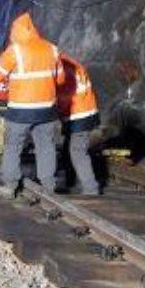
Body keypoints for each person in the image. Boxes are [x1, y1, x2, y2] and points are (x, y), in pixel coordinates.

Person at [0, 12, 61, 197]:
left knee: (12, 145)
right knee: (45, 146)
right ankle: (49, 186)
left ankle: (10, 186)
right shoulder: (51, 49)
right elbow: (61, 78)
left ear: (15, 31)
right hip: (46, 109)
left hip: (21, 110)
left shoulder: (15, 50)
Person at [55, 53, 101, 196]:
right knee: (68, 149)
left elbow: (64, 97)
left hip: (78, 114)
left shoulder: (64, 70)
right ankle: (69, 182)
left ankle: (91, 188)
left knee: (77, 151)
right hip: (84, 112)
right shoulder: (72, 64)